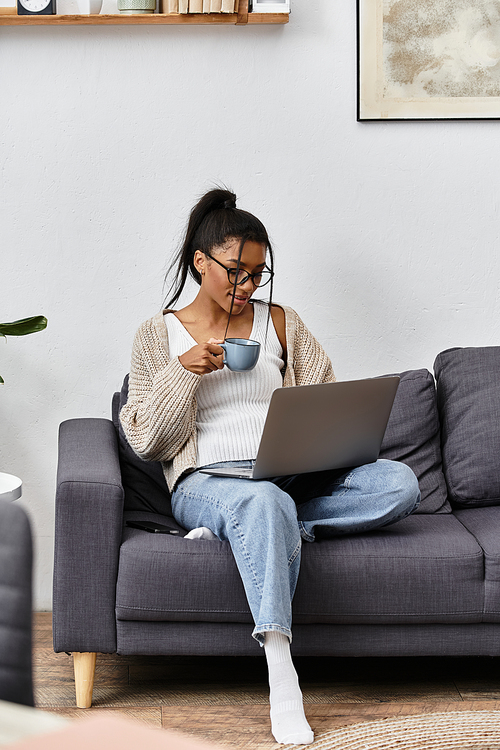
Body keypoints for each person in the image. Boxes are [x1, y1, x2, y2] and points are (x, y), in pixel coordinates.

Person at [120, 188, 421, 745]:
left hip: (288, 476)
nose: (247, 287)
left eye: (258, 274)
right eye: (236, 272)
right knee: (261, 501)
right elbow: (148, 441)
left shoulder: (282, 323)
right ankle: (282, 672)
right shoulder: (157, 335)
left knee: (399, 483)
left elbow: (324, 401)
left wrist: (318, 446)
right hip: (208, 481)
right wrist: (186, 370)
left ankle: (254, 532)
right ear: (200, 263)